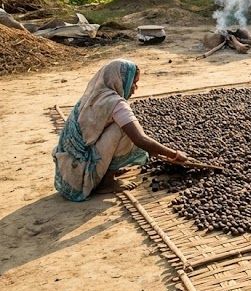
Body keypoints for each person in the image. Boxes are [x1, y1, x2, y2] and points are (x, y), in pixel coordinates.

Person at [52, 59, 188, 201]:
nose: (135, 88)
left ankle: (104, 169)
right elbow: (140, 139)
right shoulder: (115, 103)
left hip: (68, 173)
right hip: (82, 177)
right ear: (122, 80)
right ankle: (106, 182)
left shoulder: (94, 96)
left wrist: (155, 150)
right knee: (125, 130)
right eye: (133, 82)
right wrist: (174, 154)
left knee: (126, 124)